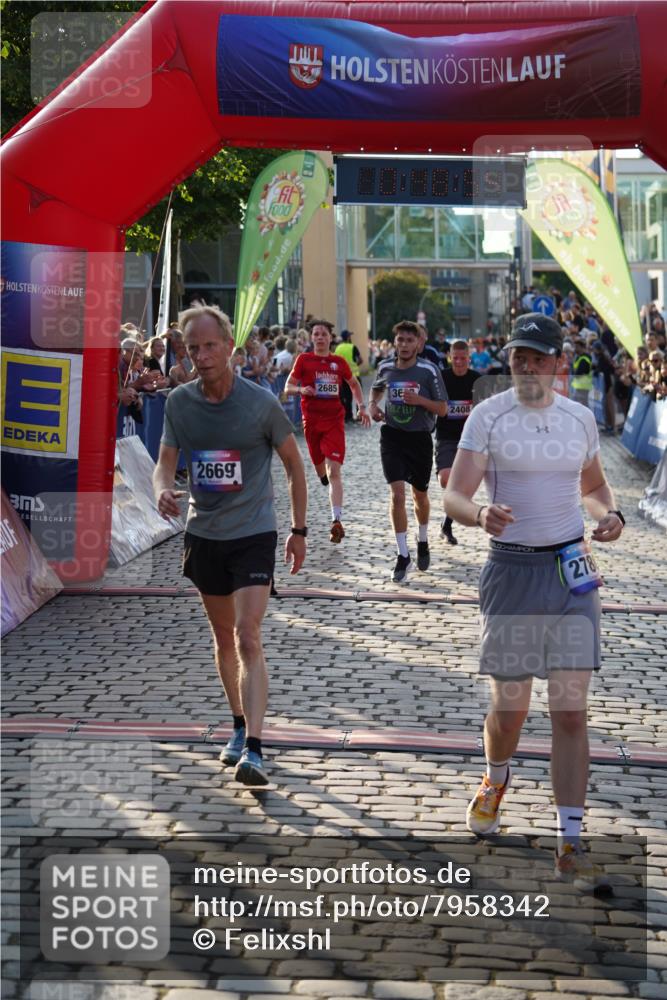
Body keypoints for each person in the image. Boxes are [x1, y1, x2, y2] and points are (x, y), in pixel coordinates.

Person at [444, 312, 625, 888]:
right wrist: (480, 514)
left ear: (557, 363)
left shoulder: (579, 419)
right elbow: (454, 495)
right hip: (513, 571)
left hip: (572, 572)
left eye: (538, 357)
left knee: (570, 711)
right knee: (512, 709)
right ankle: (495, 778)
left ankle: (570, 841)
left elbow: (593, 487)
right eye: (519, 356)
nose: (527, 365)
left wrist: (610, 514)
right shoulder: (489, 416)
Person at [154, 306, 308, 787]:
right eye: (192, 348)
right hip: (205, 534)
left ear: (229, 347)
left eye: (209, 346)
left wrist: (299, 530)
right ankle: (239, 725)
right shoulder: (179, 403)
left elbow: (294, 465)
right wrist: (161, 488)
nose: (201, 356)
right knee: (224, 638)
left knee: (247, 635)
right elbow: (164, 462)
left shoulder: (260, 403)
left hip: (253, 533)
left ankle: (255, 750)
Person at [370, 320, 448, 582]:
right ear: (395, 342)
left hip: (419, 439)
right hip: (392, 436)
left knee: (420, 497)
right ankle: (403, 555)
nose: (404, 345)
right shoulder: (385, 367)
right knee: (397, 495)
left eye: (409, 340)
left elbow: (443, 409)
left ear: (418, 344)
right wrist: (373, 406)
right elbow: (376, 389)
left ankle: (422, 539)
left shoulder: (428, 370)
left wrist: (420, 400)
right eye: (400, 340)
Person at [286, 320, 370, 542]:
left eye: (324, 334)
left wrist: (361, 406)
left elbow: (354, 384)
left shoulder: (338, 362)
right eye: (316, 334)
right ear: (311, 338)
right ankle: (322, 477)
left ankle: (336, 520)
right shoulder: (304, 360)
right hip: (311, 422)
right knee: (320, 468)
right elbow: (287, 387)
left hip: (334, 421)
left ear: (330, 338)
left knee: (334, 472)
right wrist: (300, 389)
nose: (320, 337)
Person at [435, 340, 481, 545]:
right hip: (446, 435)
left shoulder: (477, 379)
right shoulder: (442, 377)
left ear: (469, 359)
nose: (459, 362)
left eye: (463, 358)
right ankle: (448, 517)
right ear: (450, 357)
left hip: (469, 438)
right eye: (455, 358)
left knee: (460, 484)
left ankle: (446, 525)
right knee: (445, 479)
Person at [334, 330, 363, 422]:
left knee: (347, 397)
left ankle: (348, 416)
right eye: (350, 336)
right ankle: (359, 415)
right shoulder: (352, 347)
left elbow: (335, 362)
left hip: (342, 377)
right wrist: (355, 364)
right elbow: (360, 360)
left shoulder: (338, 348)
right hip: (354, 375)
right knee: (358, 395)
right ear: (348, 337)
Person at [571, 338, 593, 407]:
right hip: (579, 386)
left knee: (582, 405)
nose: (575, 349)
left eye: (577, 347)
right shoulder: (578, 357)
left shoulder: (585, 359)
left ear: (582, 347)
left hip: (583, 386)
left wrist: (575, 372)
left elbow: (578, 373)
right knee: (581, 404)